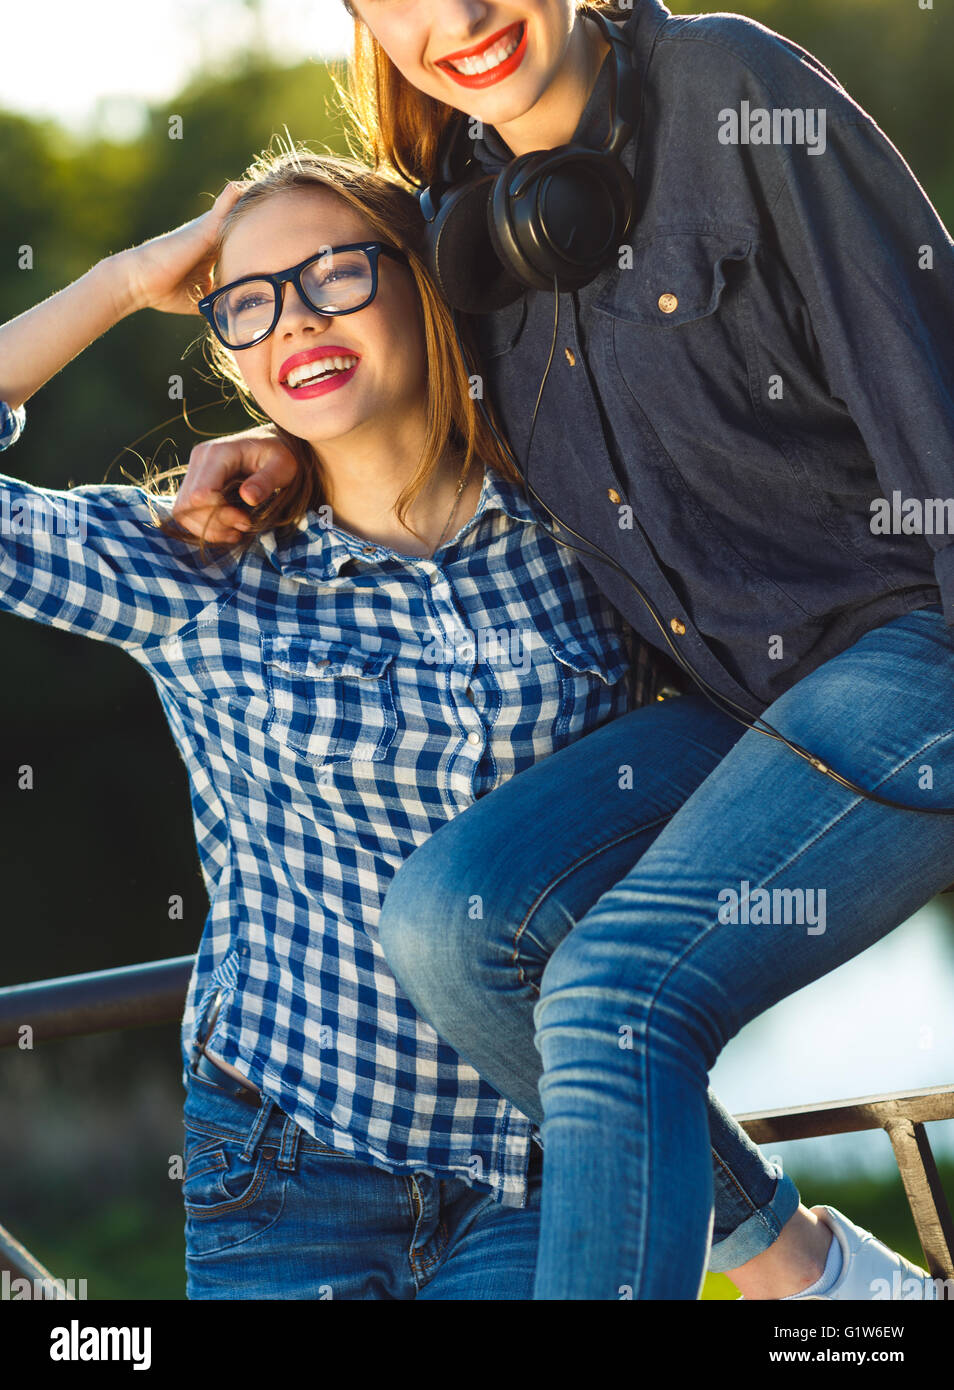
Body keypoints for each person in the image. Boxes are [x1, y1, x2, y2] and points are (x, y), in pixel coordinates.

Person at [167, 2, 954, 1299]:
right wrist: (286, 463)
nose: (462, 17)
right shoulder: (465, 230)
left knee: (612, 991)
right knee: (446, 925)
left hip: (911, 659)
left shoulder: (731, 84)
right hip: (730, 697)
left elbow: (926, 385)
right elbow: (362, 380)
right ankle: (817, 1275)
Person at [0, 143, 815, 1300]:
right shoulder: (195, 564)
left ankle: (819, 1273)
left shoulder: (580, 518)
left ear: (423, 276)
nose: (293, 320)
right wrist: (132, 278)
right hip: (288, 1172)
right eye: (249, 302)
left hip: (546, 1165)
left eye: (335, 274)